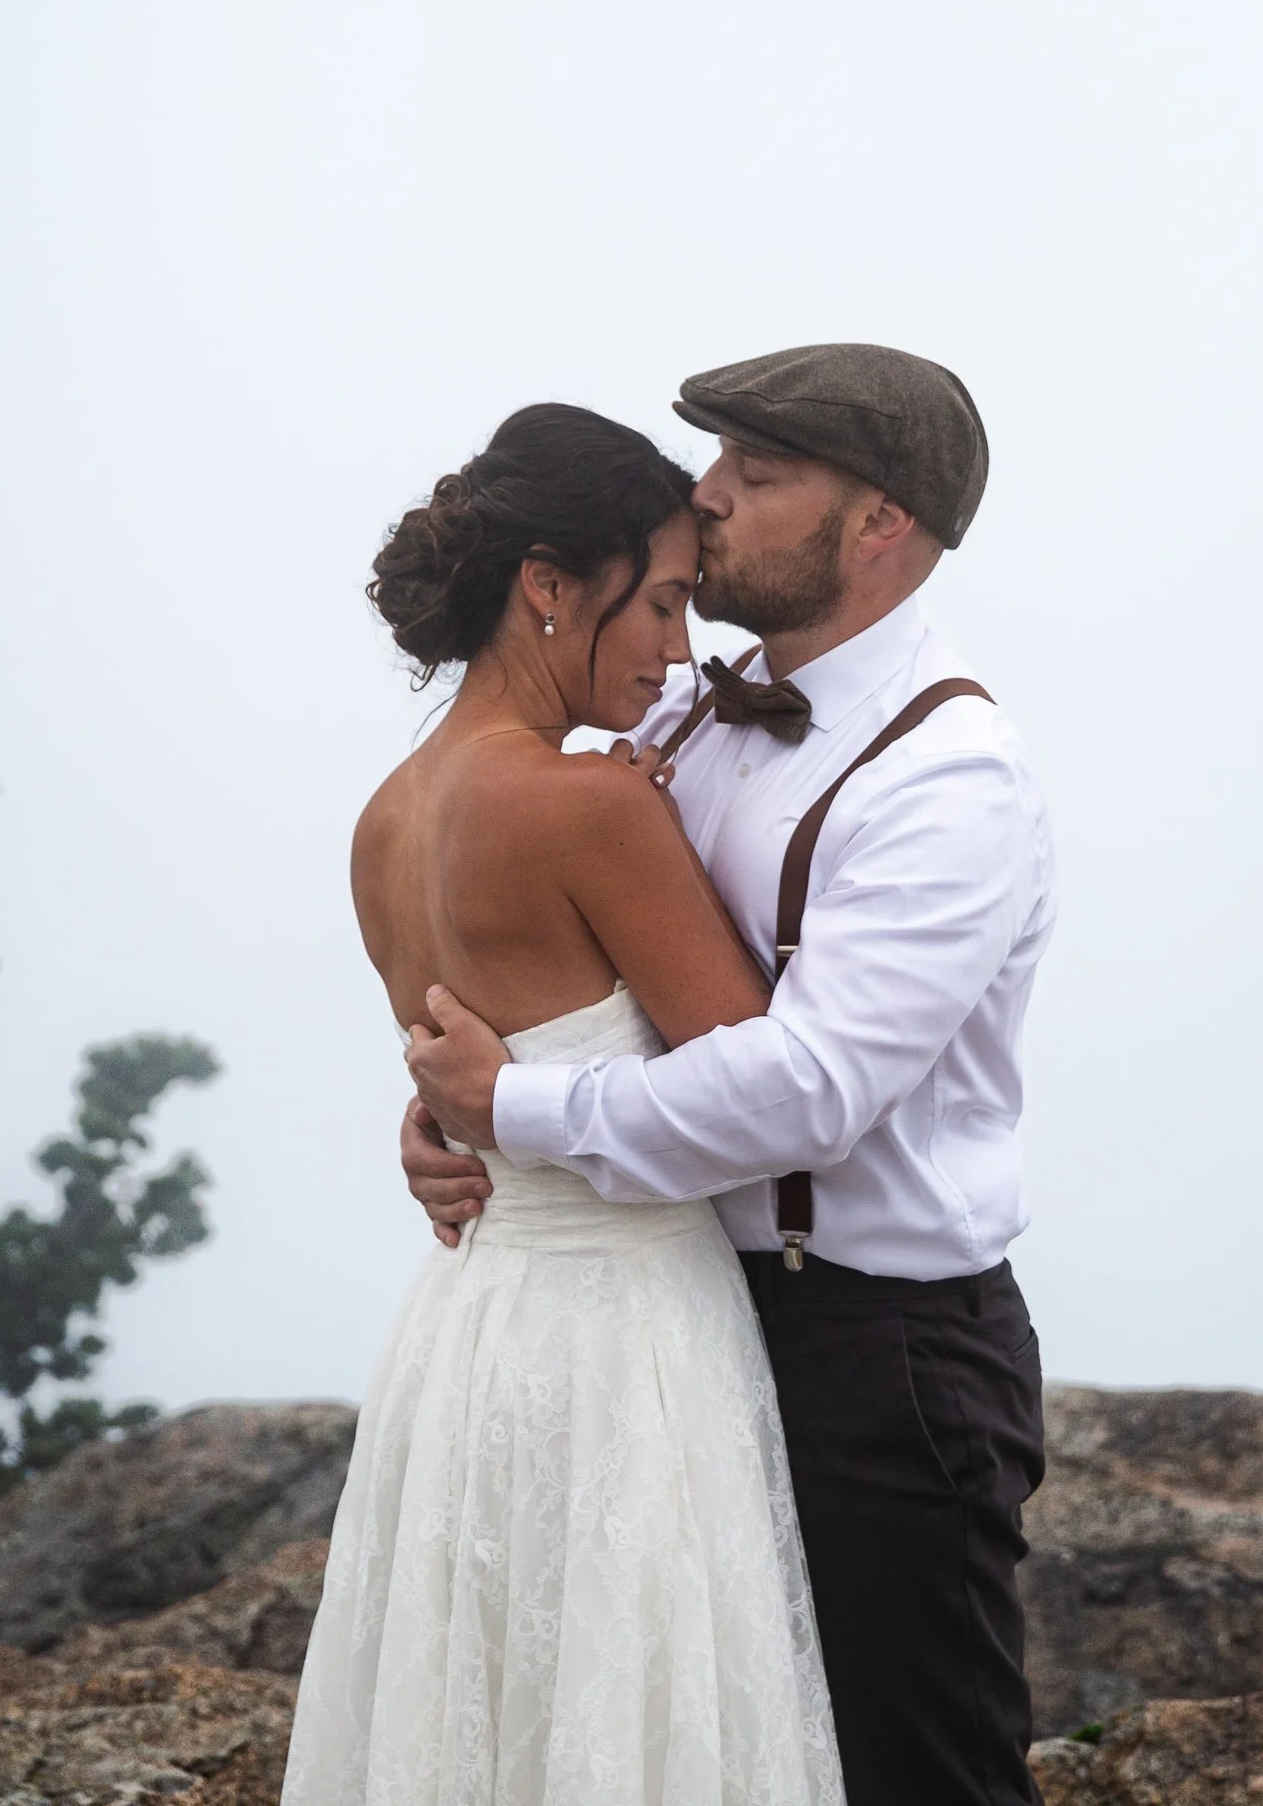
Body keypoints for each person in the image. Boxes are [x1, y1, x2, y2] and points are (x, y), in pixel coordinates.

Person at [403, 344, 1058, 1806]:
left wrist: (517, 1110)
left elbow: (810, 1087)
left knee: (917, 1774)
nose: (705, 499)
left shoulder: (952, 777)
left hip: (882, 1356)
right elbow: (571, 966)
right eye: (717, 465)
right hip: (678, 1319)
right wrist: (449, 1112)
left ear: (878, 522)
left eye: (755, 477)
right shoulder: (681, 716)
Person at [280, 403, 845, 1806]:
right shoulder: (591, 807)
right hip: (624, 1344)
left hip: (467, 1338)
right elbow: (756, 1084)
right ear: (548, 584)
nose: (678, 647)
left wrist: (443, 1127)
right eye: (659, 601)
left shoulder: (384, 820)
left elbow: (463, 1069)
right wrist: (646, 827)